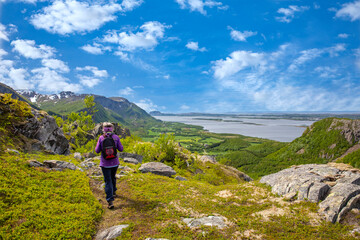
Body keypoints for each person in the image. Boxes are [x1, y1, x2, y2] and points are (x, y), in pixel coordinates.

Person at [95, 122, 123, 209]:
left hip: (104, 163)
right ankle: (114, 191)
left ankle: (110, 201)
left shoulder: (101, 138)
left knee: (108, 181)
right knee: (113, 177)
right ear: (112, 129)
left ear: (103, 129)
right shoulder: (116, 137)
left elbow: (97, 150)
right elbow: (121, 149)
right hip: (115, 163)